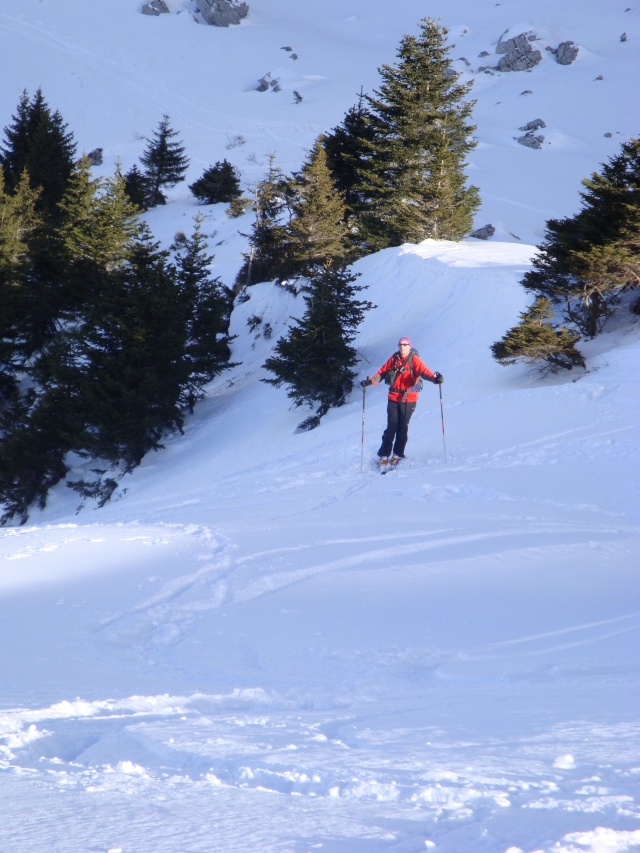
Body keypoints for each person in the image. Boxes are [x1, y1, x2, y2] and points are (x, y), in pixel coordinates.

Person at [361, 337, 443, 466]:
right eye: (400, 345)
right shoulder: (394, 358)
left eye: (405, 345)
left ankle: (398, 453)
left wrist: (435, 379)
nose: (402, 347)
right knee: (391, 427)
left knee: (402, 427)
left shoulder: (414, 359)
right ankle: (384, 453)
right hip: (393, 397)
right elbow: (382, 372)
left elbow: (424, 372)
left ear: (409, 346)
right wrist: (370, 381)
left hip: (409, 399)